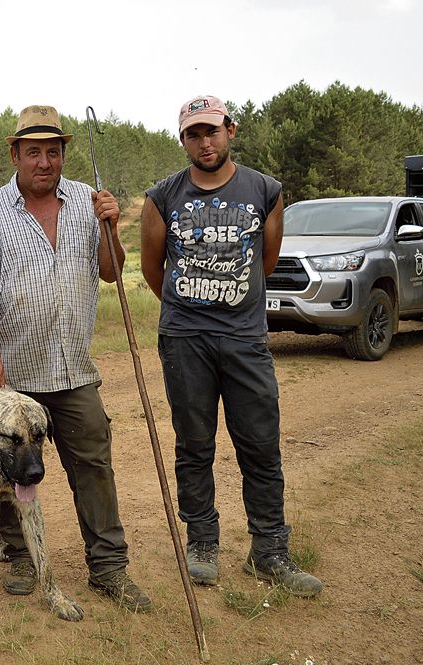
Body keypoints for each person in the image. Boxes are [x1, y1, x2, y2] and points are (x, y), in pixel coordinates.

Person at [0, 105, 153, 612]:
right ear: (15, 154)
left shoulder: (90, 203)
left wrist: (111, 225)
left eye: (52, 151)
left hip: (73, 367)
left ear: (63, 153)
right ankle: (20, 552)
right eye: (33, 152)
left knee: (92, 459)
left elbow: (111, 271)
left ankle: (108, 567)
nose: (43, 162)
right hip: (15, 368)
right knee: (10, 461)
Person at [139, 94, 322, 597]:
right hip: (185, 340)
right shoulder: (162, 197)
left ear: (230, 131)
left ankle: (269, 551)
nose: (204, 142)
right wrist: (191, 306)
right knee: (194, 444)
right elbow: (152, 269)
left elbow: (265, 260)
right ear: (183, 140)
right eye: (194, 134)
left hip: (245, 339)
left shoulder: (265, 190)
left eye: (212, 131)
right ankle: (202, 542)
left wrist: (230, 302)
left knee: (260, 446)